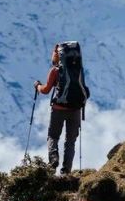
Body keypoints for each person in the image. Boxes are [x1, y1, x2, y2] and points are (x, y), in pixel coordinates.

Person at [34, 43, 86, 174]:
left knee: (53, 136)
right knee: (70, 141)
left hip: (58, 109)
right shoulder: (78, 70)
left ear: (59, 56)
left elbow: (45, 90)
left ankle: (53, 160)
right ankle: (66, 171)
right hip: (75, 110)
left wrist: (38, 86)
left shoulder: (55, 71)